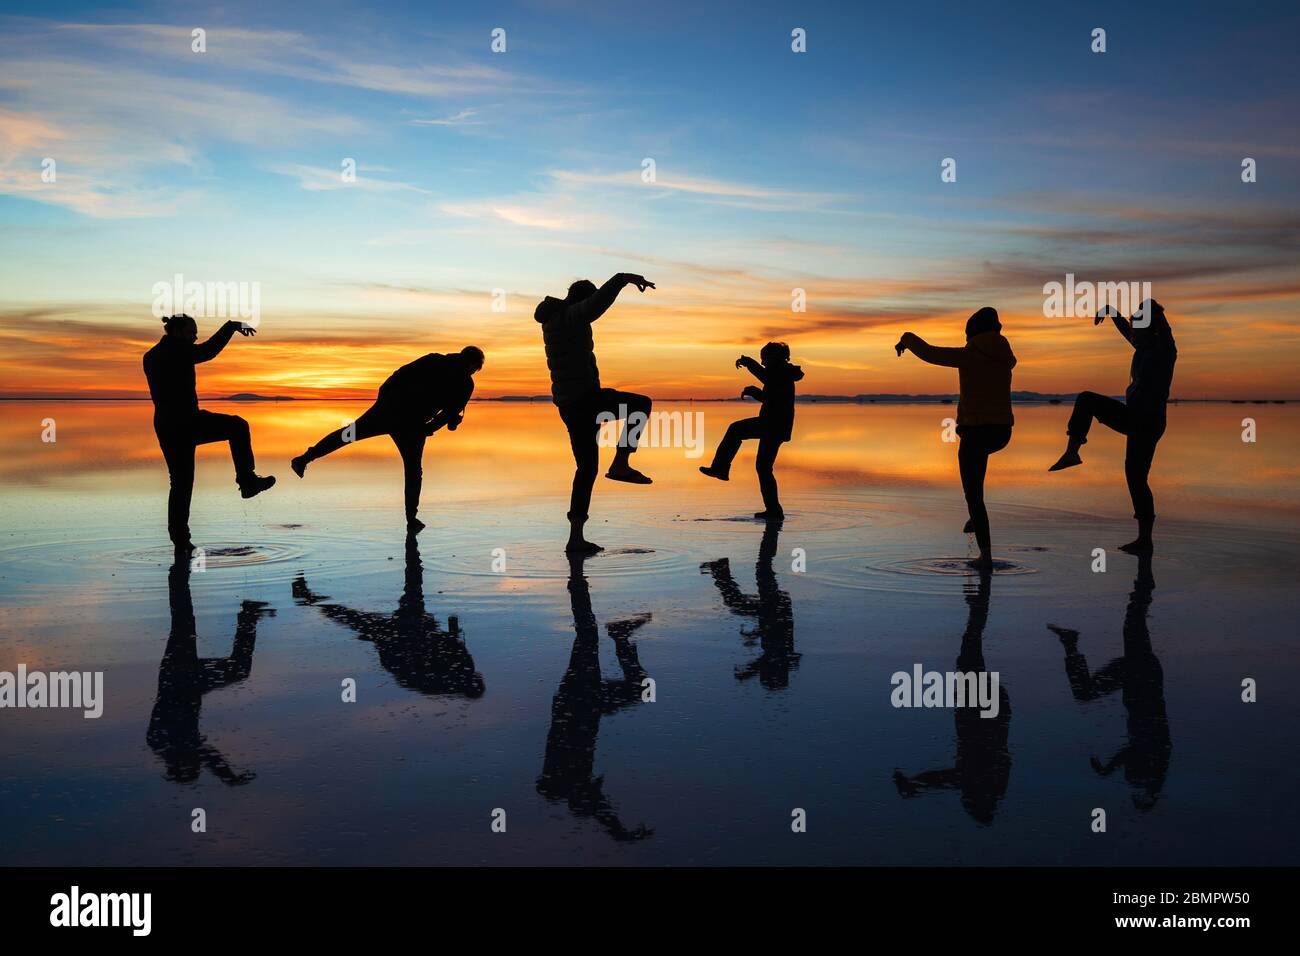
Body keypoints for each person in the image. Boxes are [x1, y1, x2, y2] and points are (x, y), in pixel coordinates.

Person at [291, 346, 484, 533]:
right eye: (475, 369)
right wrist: (430, 427)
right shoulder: (465, 382)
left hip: (389, 410)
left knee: (346, 435)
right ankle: (411, 519)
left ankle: (305, 458)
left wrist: (384, 401)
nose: (473, 372)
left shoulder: (434, 359)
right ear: (473, 365)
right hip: (412, 422)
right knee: (413, 471)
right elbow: (449, 413)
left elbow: (398, 375)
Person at [534, 273, 655, 555]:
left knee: (586, 469)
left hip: (570, 404)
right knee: (641, 404)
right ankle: (621, 464)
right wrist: (624, 279)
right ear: (582, 298)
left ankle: (576, 537)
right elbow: (597, 304)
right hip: (584, 400)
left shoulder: (555, 319)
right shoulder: (570, 316)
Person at [1049, 299, 1177, 554]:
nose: (1132, 332)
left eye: (1137, 326)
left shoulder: (1163, 350)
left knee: (1136, 476)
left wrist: (1152, 309)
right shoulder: (1141, 346)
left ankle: (1145, 540)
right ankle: (1144, 541)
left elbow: (1163, 331)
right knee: (1136, 477)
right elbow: (1125, 330)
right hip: (1136, 418)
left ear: (1149, 327)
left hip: (1147, 421)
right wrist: (1111, 312)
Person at [143, 314, 275, 558]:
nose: (195, 336)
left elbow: (200, 353)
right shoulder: (176, 352)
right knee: (237, 426)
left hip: (167, 426)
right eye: (192, 332)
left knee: (180, 484)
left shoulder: (150, 356)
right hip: (186, 423)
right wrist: (231, 326)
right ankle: (247, 482)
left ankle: (181, 542)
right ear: (178, 331)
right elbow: (209, 351)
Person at [895, 307, 1017, 569]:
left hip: (974, 431)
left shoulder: (970, 354)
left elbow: (930, 353)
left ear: (971, 332)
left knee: (973, 494)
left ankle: (985, 556)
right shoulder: (1004, 356)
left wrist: (906, 338)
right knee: (978, 476)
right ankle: (976, 518)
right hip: (1002, 431)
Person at [699, 342, 804, 520]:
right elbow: (770, 397)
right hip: (776, 426)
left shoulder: (782, 372)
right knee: (763, 468)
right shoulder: (780, 373)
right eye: (761, 359)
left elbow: (766, 378)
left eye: (764, 359)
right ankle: (774, 510)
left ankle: (720, 468)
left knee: (735, 429)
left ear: (775, 357)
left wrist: (749, 362)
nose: (763, 363)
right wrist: (755, 392)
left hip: (773, 424)